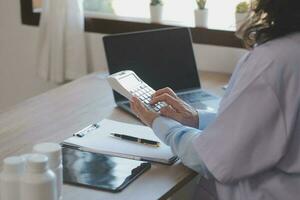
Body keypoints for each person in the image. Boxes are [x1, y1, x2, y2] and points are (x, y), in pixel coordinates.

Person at [130, 0, 300, 199]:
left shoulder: (272, 62)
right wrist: (197, 119)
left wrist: (161, 124)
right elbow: (275, 124)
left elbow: (211, 159)